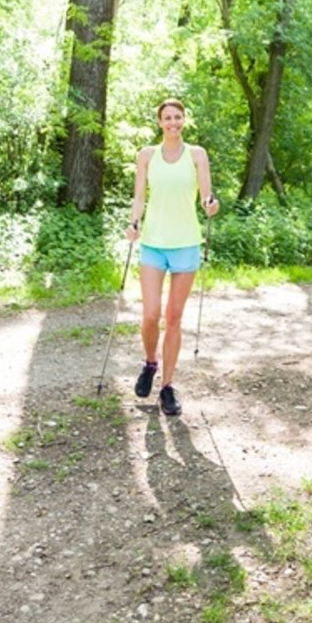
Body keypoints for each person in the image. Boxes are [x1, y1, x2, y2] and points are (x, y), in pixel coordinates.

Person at [125, 99, 221, 417]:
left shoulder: (197, 155)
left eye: (178, 117)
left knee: (174, 317)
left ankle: (167, 386)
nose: (173, 122)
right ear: (159, 122)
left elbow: (206, 195)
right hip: (153, 243)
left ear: (184, 120)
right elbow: (139, 197)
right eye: (167, 118)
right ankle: (150, 363)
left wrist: (211, 204)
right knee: (151, 314)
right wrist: (133, 222)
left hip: (186, 244)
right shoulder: (147, 155)